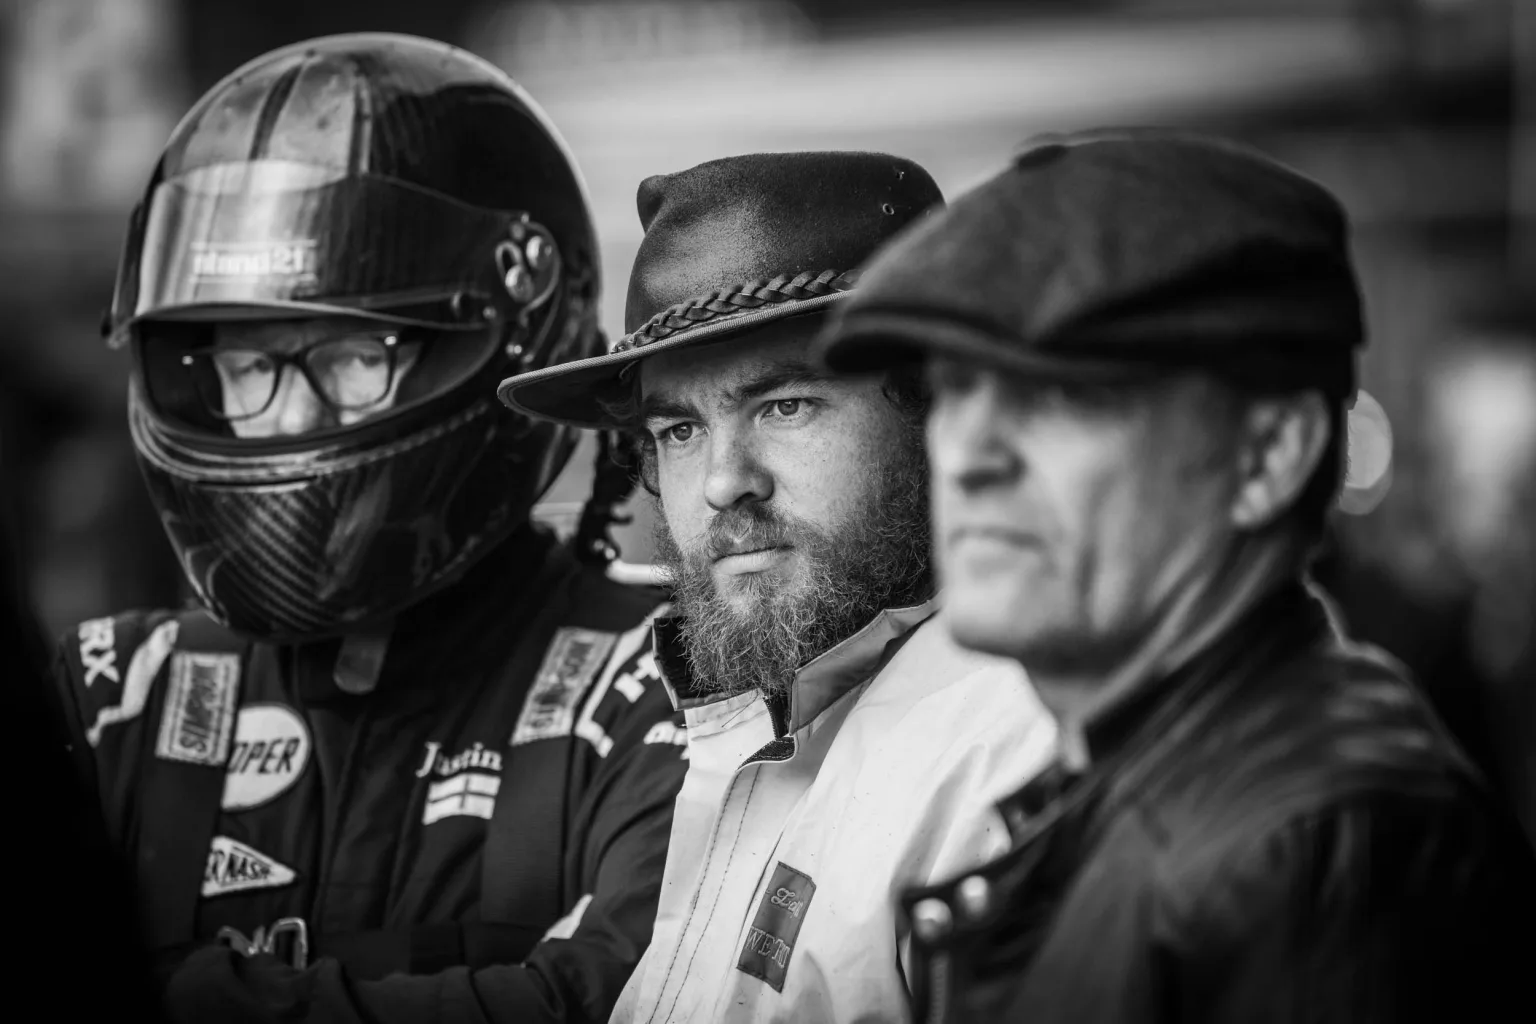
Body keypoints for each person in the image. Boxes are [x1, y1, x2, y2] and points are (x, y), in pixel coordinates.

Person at [816, 128, 1536, 1023]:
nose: (967, 456)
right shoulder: (1175, 796)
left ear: (1267, 455)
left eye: (1059, 393)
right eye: (956, 388)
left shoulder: (1318, 855)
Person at [52, 34, 687, 1024]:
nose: (289, 417)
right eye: (246, 365)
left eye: (357, 354)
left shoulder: (663, 682)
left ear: (495, 345)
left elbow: (635, 1004)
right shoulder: (115, 694)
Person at [499, 151, 1057, 1024]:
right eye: (680, 428)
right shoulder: (748, 729)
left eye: (785, 405)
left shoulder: (1015, 759)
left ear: (942, 409)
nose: (726, 481)